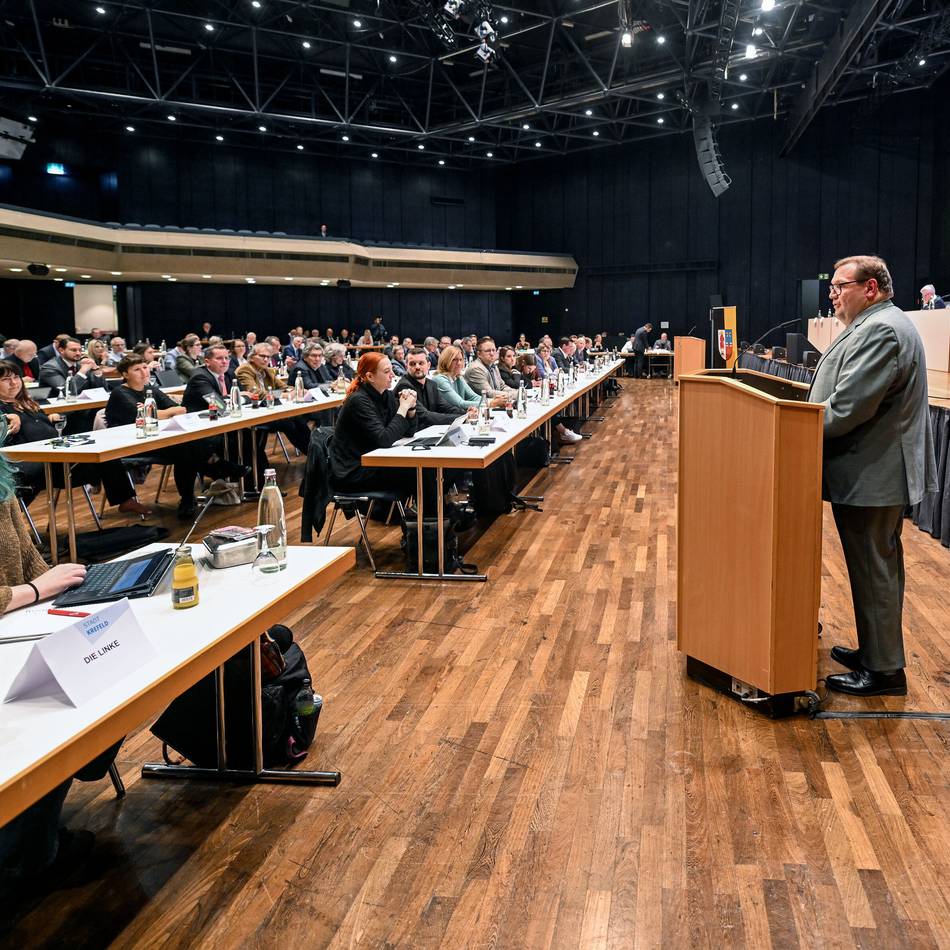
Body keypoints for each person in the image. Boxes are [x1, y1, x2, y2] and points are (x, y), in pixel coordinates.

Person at [809, 255, 937, 697]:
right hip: (869, 473)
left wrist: (789, 424)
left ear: (870, 288)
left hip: (874, 475)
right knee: (872, 568)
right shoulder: (876, 324)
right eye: (832, 287)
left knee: (874, 569)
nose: (833, 295)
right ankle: (875, 651)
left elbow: (847, 408)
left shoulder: (882, 329)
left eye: (839, 286)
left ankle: (884, 671)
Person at [0, 432, 97, 888]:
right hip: (15, 626)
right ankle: (27, 854)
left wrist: (69, 588)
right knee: (58, 699)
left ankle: (34, 833)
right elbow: (32, 582)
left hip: (24, 622)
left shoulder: (2, 474)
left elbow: (30, 560)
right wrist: (40, 591)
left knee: (112, 664)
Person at [0, 362, 151, 516]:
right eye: (6, 379)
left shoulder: (27, 403)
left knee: (106, 453)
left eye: (16, 377)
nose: (14, 383)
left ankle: (125, 500)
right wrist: (4, 418)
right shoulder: (3, 409)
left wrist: (49, 418)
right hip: (36, 466)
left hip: (57, 455)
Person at [110, 354, 246, 518]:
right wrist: (160, 413)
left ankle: (189, 498)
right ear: (125, 375)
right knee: (187, 448)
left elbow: (181, 409)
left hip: (157, 439)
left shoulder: (151, 389)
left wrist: (160, 412)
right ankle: (216, 466)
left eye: (145, 367)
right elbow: (145, 416)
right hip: (132, 445)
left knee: (186, 448)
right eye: (137, 369)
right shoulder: (120, 393)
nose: (143, 372)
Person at [328, 352, 420, 500]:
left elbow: (408, 432)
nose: (392, 374)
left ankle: (430, 515)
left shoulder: (386, 395)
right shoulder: (358, 401)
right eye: (386, 371)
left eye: (391, 369)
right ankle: (428, 517)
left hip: (375, 460)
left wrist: (410, 409)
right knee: (421, 471)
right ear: (370, 377)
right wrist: (402, 408)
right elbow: (384, 439)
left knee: (426, 469)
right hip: (355, 470)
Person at [235, 344, 312, 455]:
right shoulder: (244, 369)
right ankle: (312, 454)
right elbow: (255, 393)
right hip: (255, 413)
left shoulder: (268, 371)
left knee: (297, 417)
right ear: (252, 357)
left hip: (270, 409)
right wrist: (284, 395)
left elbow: (284, 387)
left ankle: (315, 453)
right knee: (287, 421)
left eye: (268, 357)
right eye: (262, 356)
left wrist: (299, 390)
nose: (266, 359)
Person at [394, 348, 465, 426]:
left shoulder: (432, 384)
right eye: (412, 364)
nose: (417, 367)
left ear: (428, 365)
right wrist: (462, 418)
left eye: (421, 363)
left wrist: (466, 413)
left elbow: (445, 407)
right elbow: (425, 416)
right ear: (406, 366)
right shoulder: (404, 386)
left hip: (429, 431)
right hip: (410, 435)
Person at [432, 346, 505, 412]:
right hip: (445, 421)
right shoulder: (440, 380)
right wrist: (490, 403)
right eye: (455, 360)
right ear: (446, 361)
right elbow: (460, 403)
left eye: (460, 359)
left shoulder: (458, 378)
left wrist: (494, 400)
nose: (459, 363)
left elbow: (473, 397)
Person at [39, 336, 107, 399]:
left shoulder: (82, 364)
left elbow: (103, 389)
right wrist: (82, 372)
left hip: (85, 406)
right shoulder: (49, 368)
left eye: (80, 350)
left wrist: (96, 371)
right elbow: (67, 392)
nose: (78, 353)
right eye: (73, 350)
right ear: (61, 350)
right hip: (61, 409)